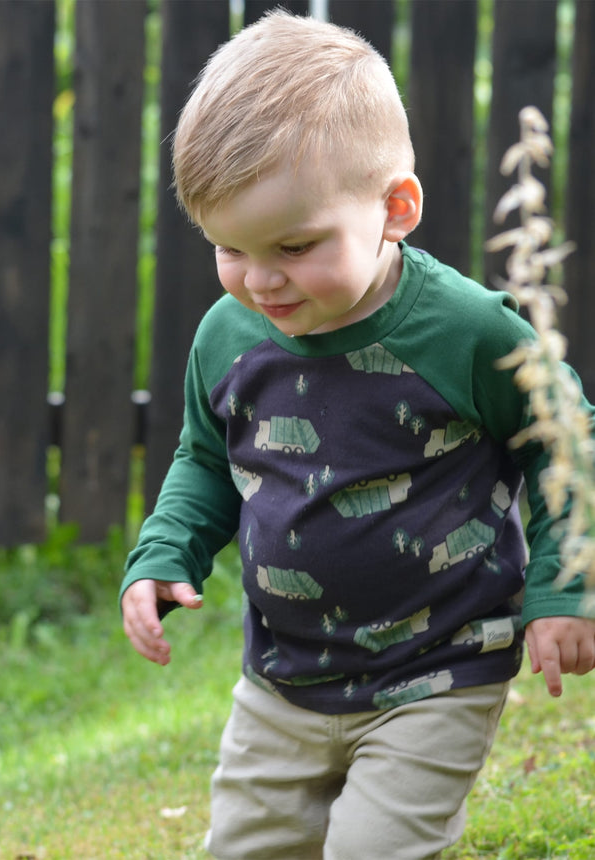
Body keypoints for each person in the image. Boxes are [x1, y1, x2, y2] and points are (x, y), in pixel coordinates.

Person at [120, 10, 595, 860]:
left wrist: (566, 591)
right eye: (229, 248)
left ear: (396, 208)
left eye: (295, 247)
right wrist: (164, 556)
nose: (260, 281)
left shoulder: (468, 334)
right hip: (283, 680)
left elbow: (566, 447)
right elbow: (204, 459)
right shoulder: (227, 337)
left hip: (438, 670)